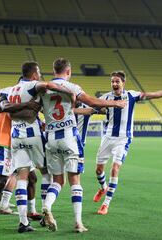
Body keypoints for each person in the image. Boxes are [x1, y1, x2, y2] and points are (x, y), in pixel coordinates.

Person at [41, 58, 126, 233]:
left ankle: (47, 207)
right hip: (69, 139)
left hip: (50, 139)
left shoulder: (43, 88)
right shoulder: (72, 88)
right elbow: (92, 102)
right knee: (75, 181)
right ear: (69, 71)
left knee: (57, 181)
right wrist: (115, 102)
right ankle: (78, 223)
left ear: (54, 70)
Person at [93, 71, 162, 215]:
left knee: (115, 169)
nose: (114, 84)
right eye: (112, 81)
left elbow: (155, 94)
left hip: (123, 139)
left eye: (117, 81)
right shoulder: (106, 97)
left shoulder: (132, 95)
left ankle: (106, 204)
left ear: (123, 82)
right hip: (107, 138)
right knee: (98, 170)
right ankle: (103, 188)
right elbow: (94, 107)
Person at [4, 61, 75, 233]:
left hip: (16, 136)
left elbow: (7, 109)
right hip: (33, 135)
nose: (40, 75)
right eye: (38, 72)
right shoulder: (33, 85)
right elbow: (50, 85)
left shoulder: (12, 89)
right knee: (48, 174)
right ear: (34, 73)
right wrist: (70, 91)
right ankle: (45, 212)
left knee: (22, 176)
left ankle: (23, 222)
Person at [0, 83, 40, 230]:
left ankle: (30, 212)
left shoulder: (30, 99)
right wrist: (28, 105)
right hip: (4, 142)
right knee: (1, 181)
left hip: (20, 142)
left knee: (32, 177)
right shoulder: (8, 96)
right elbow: (3, 106)